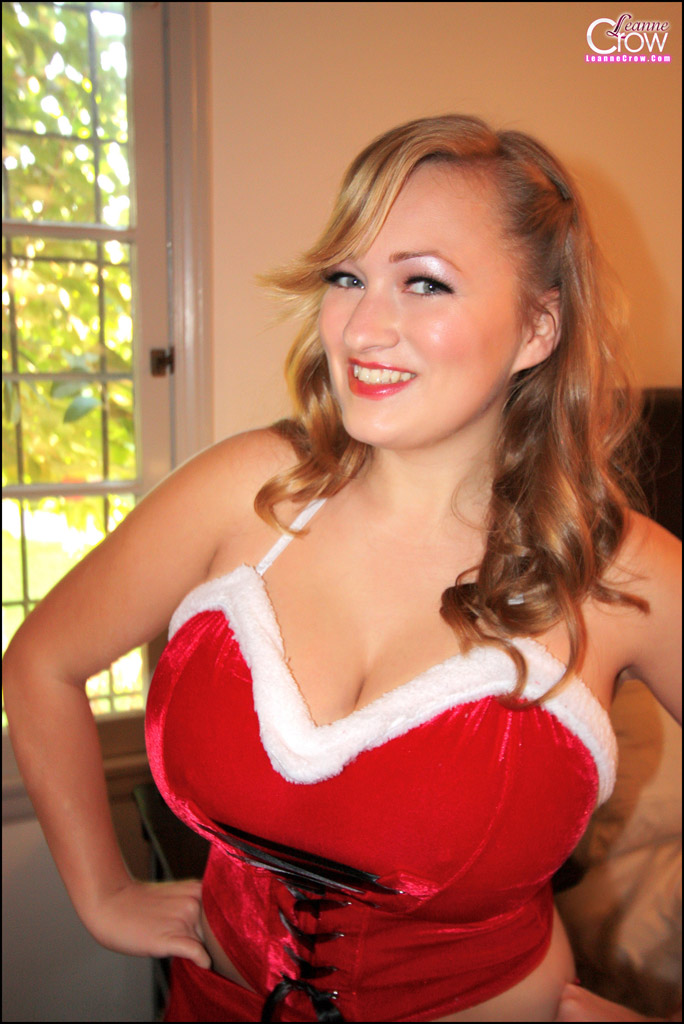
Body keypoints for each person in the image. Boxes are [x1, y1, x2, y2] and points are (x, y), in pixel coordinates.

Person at [3, 114, 681, 1023]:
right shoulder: (246, 493)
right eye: (347, 277)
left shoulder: (622, 573)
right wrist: (102, 891)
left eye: (424, 283)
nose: (363, 327)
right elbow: (41, 662)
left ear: (537, 327)